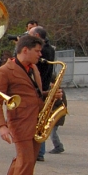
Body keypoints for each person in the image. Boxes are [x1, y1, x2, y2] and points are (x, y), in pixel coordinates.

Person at [0, 34, 48, 175]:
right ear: (25, 50)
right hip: (19, 122)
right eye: (37, 51)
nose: (40, 55)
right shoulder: (5, 71)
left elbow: (33, 92)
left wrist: (50, 95)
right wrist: (2, 126)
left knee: (26, 160)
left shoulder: (33, 68)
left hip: (35, 119)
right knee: (26, 162)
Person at [30, 27, 65, 158]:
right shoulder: (50, 48)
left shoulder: (42, 51)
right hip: (45, 86)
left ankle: (39, 152)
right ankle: (40, 151)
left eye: (30, 35)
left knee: (40, 121)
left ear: (37, 35)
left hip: (41, 88)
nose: (38, 54)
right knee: (41, 120)